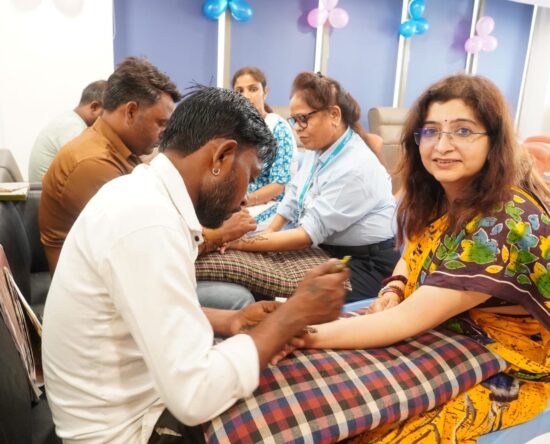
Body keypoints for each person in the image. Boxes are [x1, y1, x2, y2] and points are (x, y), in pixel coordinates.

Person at [41, 86, 349, 443]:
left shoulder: (142, 195)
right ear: (221, 157)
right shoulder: (147, 223)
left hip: (125, 402)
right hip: (124, 430)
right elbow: (194, 396)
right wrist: (292, 315)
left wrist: (230, 320)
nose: (244, 199)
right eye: (249, 177)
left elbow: (152, 309)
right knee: (304, 408)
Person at [279, 74, 550, 443]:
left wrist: (294, 335)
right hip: (442, 324)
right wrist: (394, 287)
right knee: (311, 388)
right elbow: (413, 253)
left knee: (382, 429)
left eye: (463, 131)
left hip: (509, 357)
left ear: (494, 141)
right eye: (431, 131)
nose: (442, 145)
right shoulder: (439, 191)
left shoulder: (504, 220)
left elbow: (405, 321)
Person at [227, 71, 399, 302]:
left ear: (334, 115)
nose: (298, 128)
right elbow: (293, 196)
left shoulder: (355, 167)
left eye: (304, 119)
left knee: (300, 299)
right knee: (254, 274)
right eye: (294, 120)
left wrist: (239, 242)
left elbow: (306, 234)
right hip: (329, 250)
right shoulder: (318, 149)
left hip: (367, 264)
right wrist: (269, 233)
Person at [39, 57, 181, 273]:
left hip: (119, 267)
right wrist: (218, 235)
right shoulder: (92, 163)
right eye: (161, 123)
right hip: (96, 283)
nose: (164, 133)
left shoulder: (117, 149)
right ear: (130, 111)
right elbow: (143, 241)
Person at [232, 67, 297, 226]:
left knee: (232, 226)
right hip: (238, 202)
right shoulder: (233, 130)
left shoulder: (278, 128)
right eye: (239, 91)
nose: (246, 96)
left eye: (253, 89)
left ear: (265, 92)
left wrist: (244, 201)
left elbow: (278, 186)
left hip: (274, 205)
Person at [28, 80, 107, 181]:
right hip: (42, 189)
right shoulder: (75, 128)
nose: (108, 120)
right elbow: (89, 170)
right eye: (108, 113)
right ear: (94, 107)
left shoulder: (70, 120)